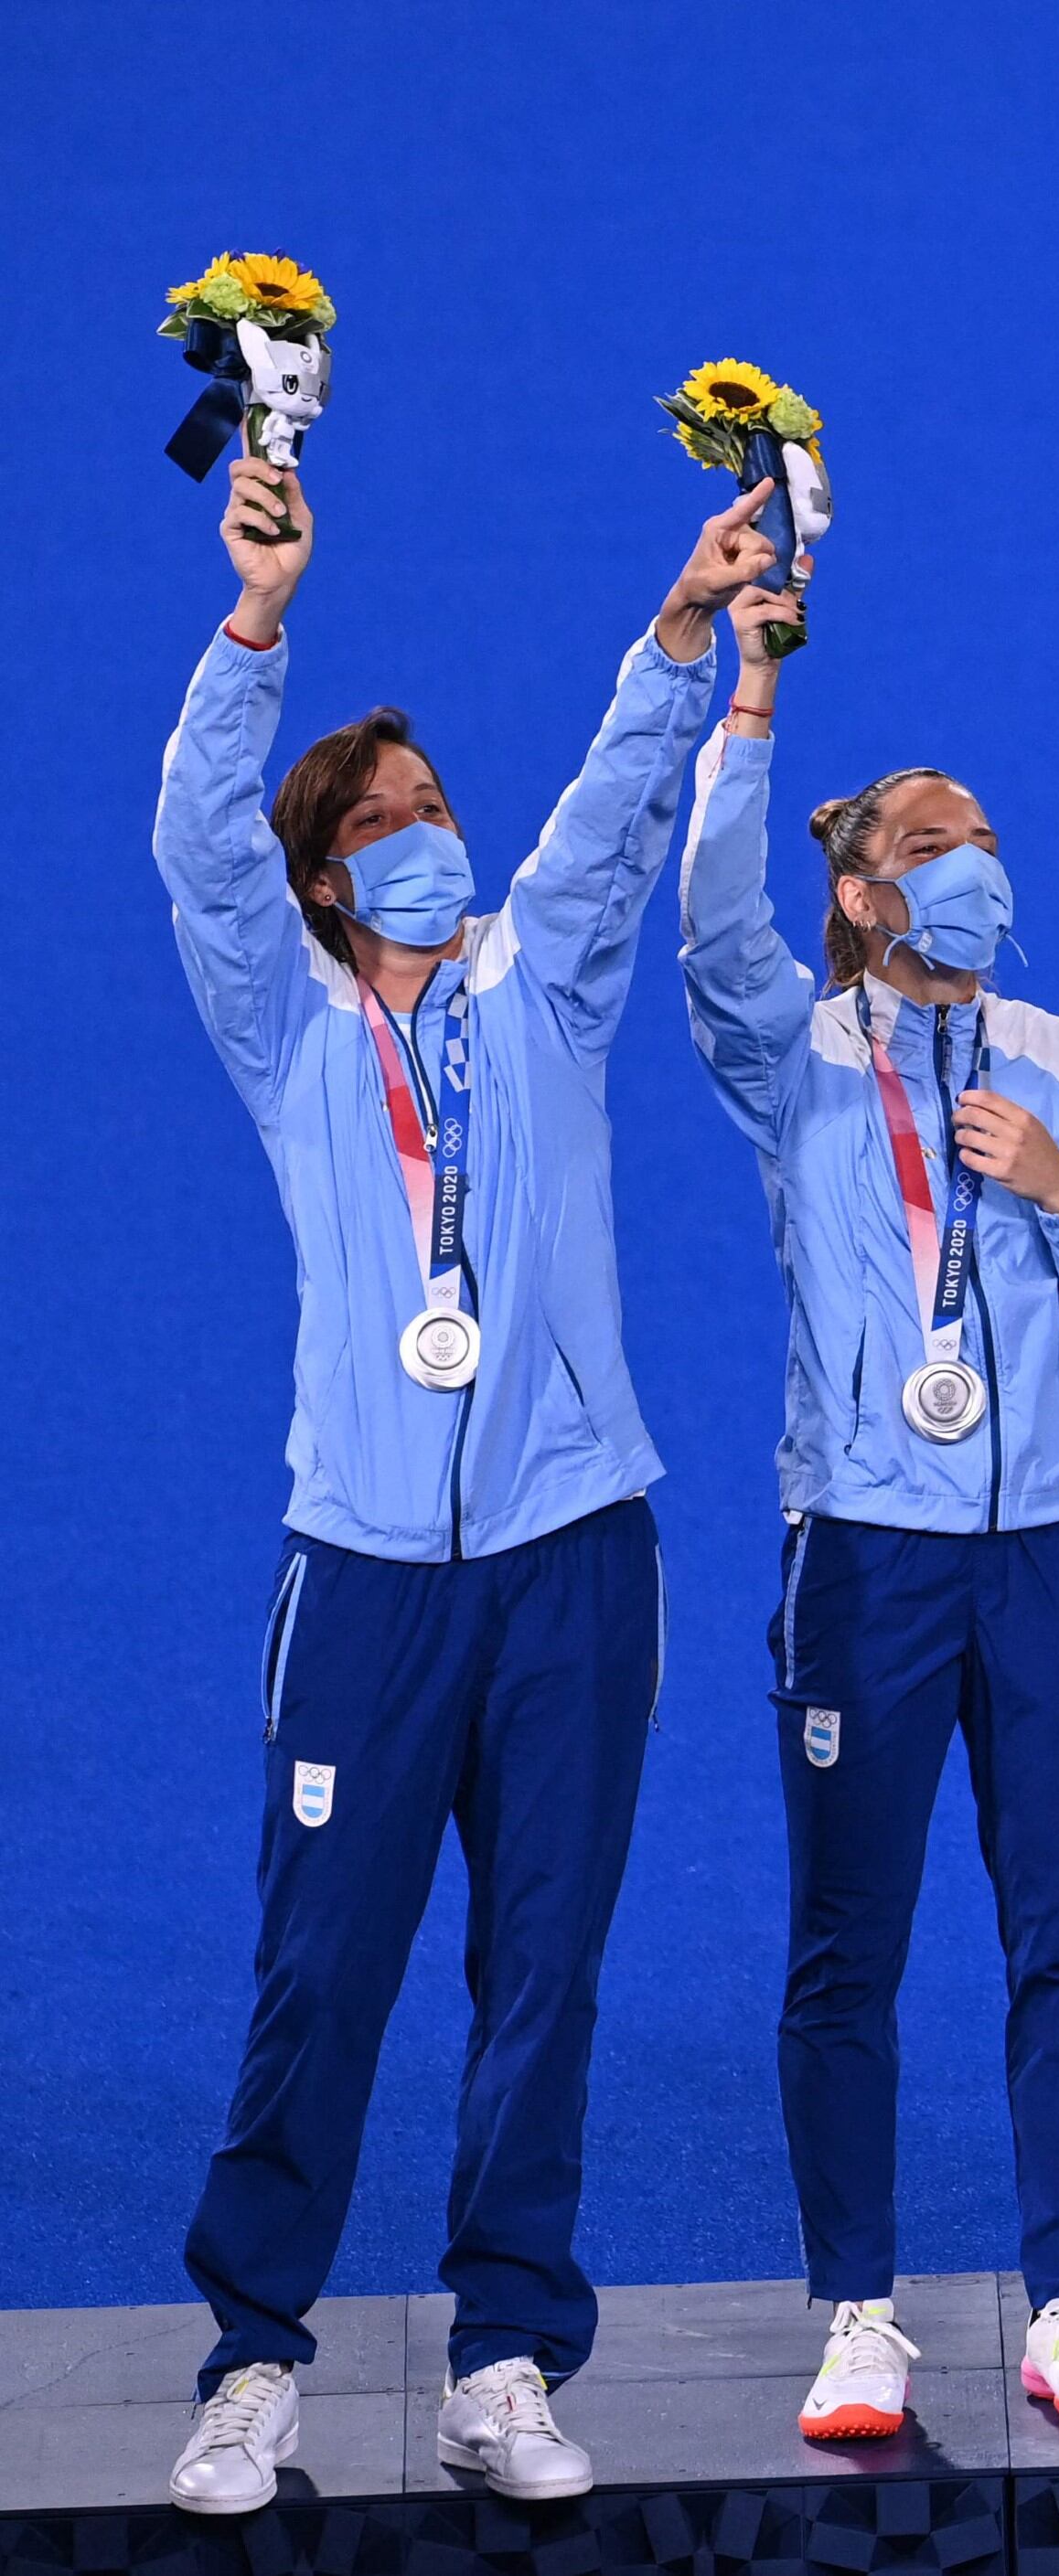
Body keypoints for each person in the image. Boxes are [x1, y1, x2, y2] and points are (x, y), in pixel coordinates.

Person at [155, 457, 773, 2512]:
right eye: (389, 823)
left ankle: (503, 2357)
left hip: (574, 1548)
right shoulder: (291, 1029)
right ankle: (253, 2357)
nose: (434, 836)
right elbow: (194, 848)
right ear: (329, 879)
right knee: (320, 1964)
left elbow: (614, 795)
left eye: (436, 807)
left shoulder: (547, 984)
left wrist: (684, 622)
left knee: (544, 1964)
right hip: (363, 1572)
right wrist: (255, 622)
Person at [675, 558, 1059, 2434]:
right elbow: (714, 928)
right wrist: (749, 704)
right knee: (848, 1937)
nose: (977, 862)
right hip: (865, 1555)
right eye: (937, 841)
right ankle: (858, 2308)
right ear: (868, 891)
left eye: (987, 836)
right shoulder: (795, 1063)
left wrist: (1055, 1186)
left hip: (1055, 1550)